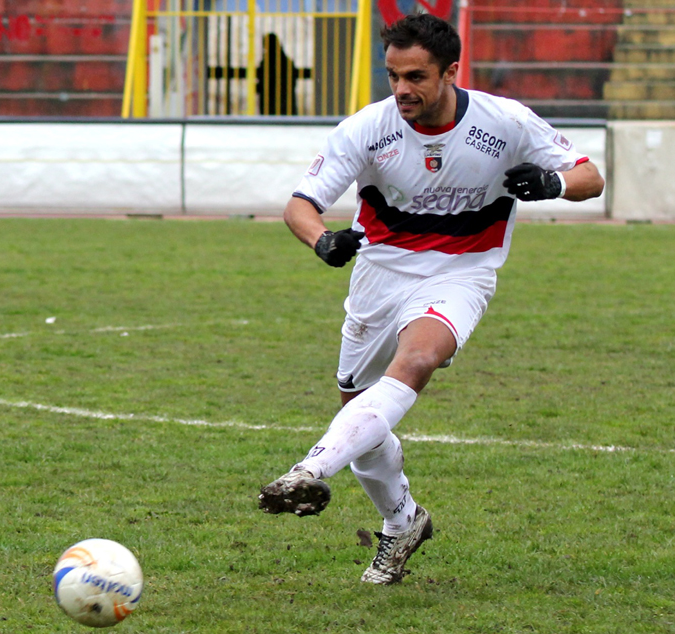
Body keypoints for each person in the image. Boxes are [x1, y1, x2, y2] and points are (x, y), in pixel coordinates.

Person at [258, 13, 604, 585]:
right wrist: (323, 241)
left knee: (417, 359)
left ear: (450, 72)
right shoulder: (367, 128)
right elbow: (300, 205)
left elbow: (590, 176)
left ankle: (307, 471)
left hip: (462, 271)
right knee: (359, 413)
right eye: (393, 75)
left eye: (415, 76)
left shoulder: (505, 122)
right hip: (379, 275)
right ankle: (403, 522)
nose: (401, 89)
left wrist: (554, 183)